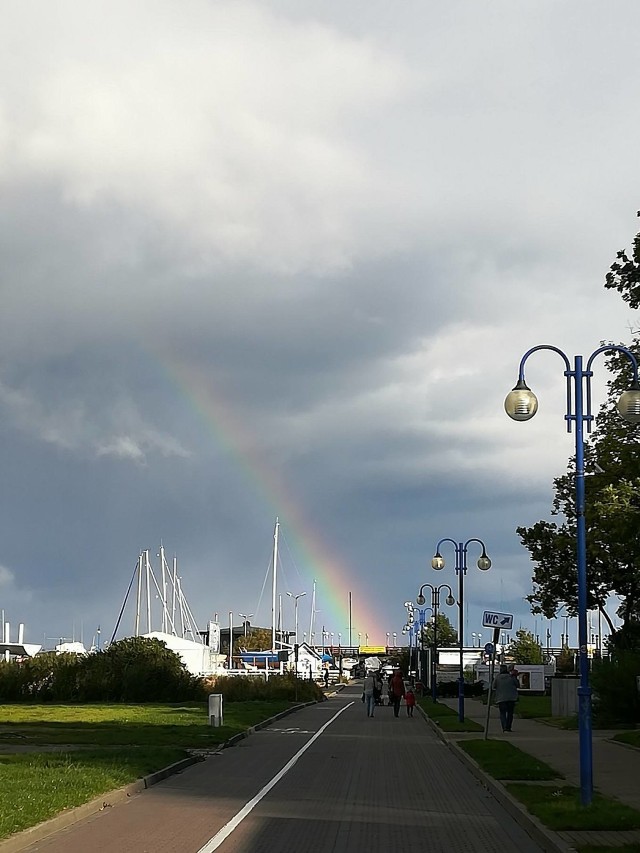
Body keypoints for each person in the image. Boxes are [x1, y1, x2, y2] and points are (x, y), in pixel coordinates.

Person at [492, 663, 519, 732]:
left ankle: (504, 727)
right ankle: (508, 727)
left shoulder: (497, 677)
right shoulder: (511, 677)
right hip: (511, 697)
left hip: (501, 698)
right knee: (510, 713)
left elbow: (494, 686)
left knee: (502, 713)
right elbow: (517, 685)